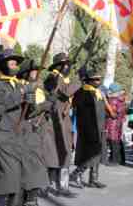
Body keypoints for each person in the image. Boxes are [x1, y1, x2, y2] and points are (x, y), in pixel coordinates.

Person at [0, 49, 38, 206]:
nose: (15, 65)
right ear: (3, 64)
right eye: (11, 62)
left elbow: (28, 114)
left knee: (18, 177)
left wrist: (30, 103)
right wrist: (22, 92)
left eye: (16, 63)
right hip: (2, 136)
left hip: (17, 136)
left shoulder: (16, 84)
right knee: (10, 177)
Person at [43, 53, 80, 197]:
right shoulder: (53, 78)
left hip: (64, 121)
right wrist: (78, 80)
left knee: (65, 154)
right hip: (53, 121)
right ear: (58, 66)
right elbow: (66, 93)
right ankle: (47, 185)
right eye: (66, 64)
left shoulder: (65, 79)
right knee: (52, 155)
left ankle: (63, 186)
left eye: (69, 64)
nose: (68, 67)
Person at [16, 59, 50, 200]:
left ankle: (32, 197)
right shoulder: (21, 87)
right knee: (30, 167)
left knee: (37, 165)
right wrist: (42, 107)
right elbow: (27, 112)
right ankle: (29, 199)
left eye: (37, 70)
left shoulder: (40, 89)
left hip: (38, 131)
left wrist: (48, 105)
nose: (36, 73)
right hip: (25, 131)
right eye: (33, 70)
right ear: (25, 73)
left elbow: (40, 108)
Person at [70, 69, 107, 189]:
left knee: (97, 153)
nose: (99, 81)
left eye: (99, 79)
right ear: (89, 81)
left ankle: (93, 179)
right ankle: (77, 173)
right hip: (88, 128)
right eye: (96, 79)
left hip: (99, 127)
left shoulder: (98, 92)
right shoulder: (82, 92)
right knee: (89, 154)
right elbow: (77, 108)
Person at [105, 83, 127, 166]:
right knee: (118, 141)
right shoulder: (121, 99)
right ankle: (121, 159)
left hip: (112, 123)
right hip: (119, 123)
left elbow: (112, 113)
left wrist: (106, 113)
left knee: (113, 141)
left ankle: (114, 160)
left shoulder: (113, 100)